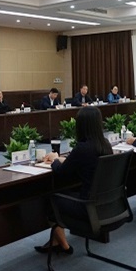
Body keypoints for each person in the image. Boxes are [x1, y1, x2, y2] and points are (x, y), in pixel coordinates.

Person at [34, 106, 112, 255]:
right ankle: (56, 241)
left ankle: (64, 246)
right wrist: (65, 160)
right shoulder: (105, 144)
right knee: (65, 191)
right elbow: (82, 163)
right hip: (104, 204)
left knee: (50, 200)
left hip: (87, 206)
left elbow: (60, 172)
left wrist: (55, 159)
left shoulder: (83, 148)